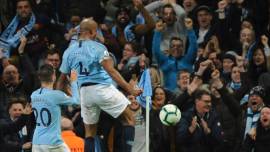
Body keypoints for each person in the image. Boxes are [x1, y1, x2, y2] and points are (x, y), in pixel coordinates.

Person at [58, 18, 142, 152]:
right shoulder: (98, 47)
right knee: (129, 119)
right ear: (93, 32)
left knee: (90, 133)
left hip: (84, 93)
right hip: (101, 88)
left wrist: (67, 99)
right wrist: (130, 89)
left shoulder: (68, 52)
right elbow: (112, 71)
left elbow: (61, 81)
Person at [31, 64, 80, 152]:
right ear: (54, 77)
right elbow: (77, 102)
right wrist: (74, 82)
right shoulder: (56, 95)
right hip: (52, 142)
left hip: (36, 142)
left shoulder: (33, 95)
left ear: (39, 77)